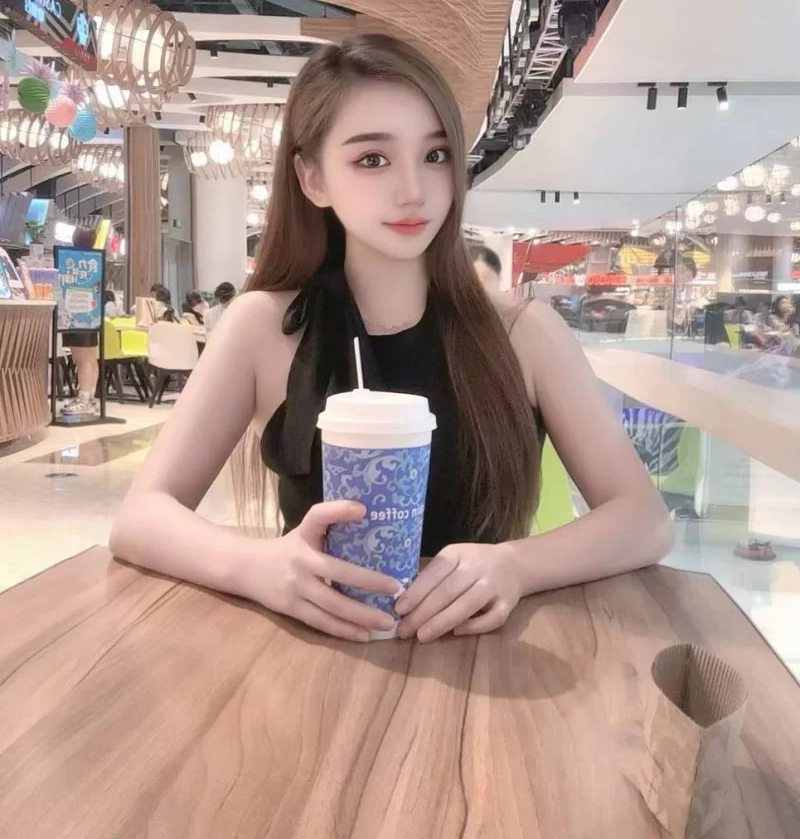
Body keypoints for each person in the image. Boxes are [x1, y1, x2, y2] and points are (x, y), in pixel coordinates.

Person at [111, 34, 672, 645]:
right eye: (373, 159)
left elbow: (643, 519)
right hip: (319, 659)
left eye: (435, 155)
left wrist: (517, 565)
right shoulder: (264, 328)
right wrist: (257, 565)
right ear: (312, 178)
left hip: (483, 663)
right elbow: (141, 517)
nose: (413, 190)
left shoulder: (523, 333)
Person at [61, 226, 100, 417]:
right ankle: (90, 398)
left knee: (81, 360)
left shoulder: (69, 259)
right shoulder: (96, 260)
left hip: (75, 316)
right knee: (90, 359)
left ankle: (84, 400)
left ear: (74, 238)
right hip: (92, 316)